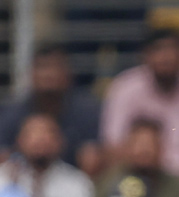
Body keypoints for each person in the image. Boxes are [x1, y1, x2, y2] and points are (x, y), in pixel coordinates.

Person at [101, 29, 179, 182]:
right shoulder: (125, 88)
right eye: (158, 50)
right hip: (140, 181)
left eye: (172, 50)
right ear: (145, 56)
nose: (166, 58)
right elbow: (113, 146)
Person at [0, 43, 102, 176]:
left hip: (72, 181)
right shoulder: (13, 112)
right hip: (22, 179)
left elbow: (93, 154)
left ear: (68, 73)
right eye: (43, 67)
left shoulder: (86, 110)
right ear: (31, 74)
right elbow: (3, 154)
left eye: (55, 67)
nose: (49, 75)